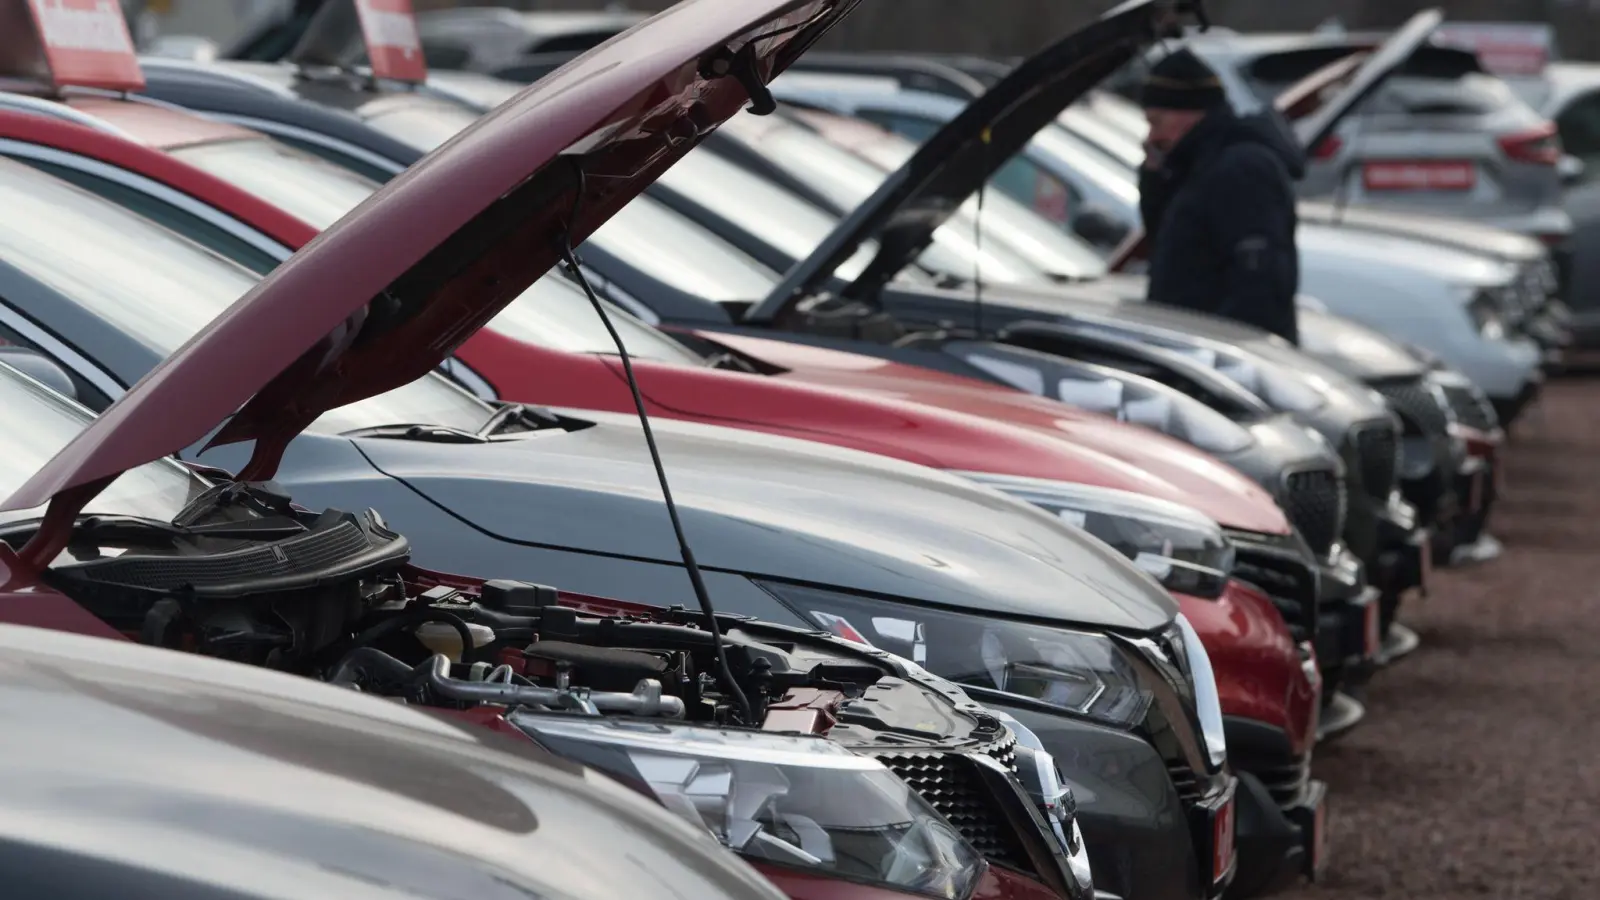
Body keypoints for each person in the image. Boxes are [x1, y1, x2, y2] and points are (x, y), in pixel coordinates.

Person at [1138, 48, 1304, 344]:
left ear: (1190, 113)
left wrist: (1221, 353)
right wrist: (1154, 178)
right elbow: (1164, 241)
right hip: (1195, 347)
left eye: (1157, 122)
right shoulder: (1197, 166)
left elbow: (1259, 287)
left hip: (1225, 356)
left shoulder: (1242, 169)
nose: (1151, 137)